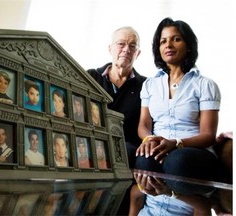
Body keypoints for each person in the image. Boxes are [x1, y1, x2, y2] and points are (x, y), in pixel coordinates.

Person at [131, 17, 221, 215]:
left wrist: (176, 143)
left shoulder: (205, 85)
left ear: (188, 45)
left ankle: (181, 193)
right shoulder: (150, 85)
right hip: (160, 146)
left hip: (193, 151)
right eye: (163, 41)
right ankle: (163, 195)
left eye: (176, 39)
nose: (168, 45)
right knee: (145, 159)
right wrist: (148, 138)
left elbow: (208, 134)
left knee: (176, 162)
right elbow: (143, 124)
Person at [87, 26, 146, 168]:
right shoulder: (90, 76)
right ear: (110, 48)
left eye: (132, 46)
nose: (126, 49)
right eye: (121, 44)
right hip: (90, 140)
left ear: (137, 53)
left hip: (126, 147)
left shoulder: (146, 85)